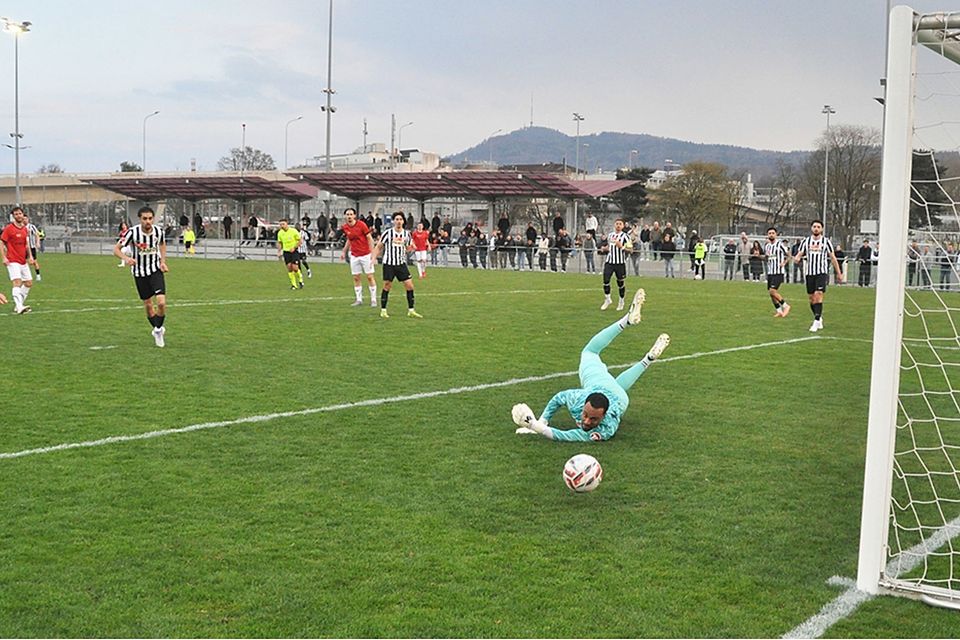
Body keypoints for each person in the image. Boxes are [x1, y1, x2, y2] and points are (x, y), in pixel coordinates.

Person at [511, 289, 670, 441]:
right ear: (583, 404)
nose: (587, 422)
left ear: (604, 416)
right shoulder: (577, 399)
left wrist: (536, 425)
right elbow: (558, 398)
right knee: (612, 382)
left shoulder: (606, 428)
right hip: (614, 394)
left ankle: (627, 322)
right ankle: (648, 358)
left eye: (594, 419)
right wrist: (539, 424)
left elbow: (567, 436)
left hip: (615, 397)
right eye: (586, 415)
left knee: (590, 352)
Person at [113, 206, 169, 347]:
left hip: (155, 270)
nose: (148, 221)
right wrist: (127, 259)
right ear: (140, 219)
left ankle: (157, 330)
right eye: (145, 219)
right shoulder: (132, 233)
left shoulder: (158, 231)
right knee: (148, 305)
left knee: (161, 303)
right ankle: (157, 330)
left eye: (150, 218)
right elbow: (116, 250)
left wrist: (163, 261)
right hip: (139, 273)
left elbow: (162, 244)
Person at [793, 219, 844, 332]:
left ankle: (816, 321)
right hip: (809, 273)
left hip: (821, 272)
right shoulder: (806, 241)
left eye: (818, 227)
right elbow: (800, 253)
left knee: (818, 294)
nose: (816, 229)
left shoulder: (826, 242)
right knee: (812, 299)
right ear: (811, 228)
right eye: (814, 227)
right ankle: (818, 317)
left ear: (822, 229)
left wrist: (839, 273)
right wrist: (797, 258)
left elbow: (833, 258)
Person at [373, 212, 423, 319]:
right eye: (396, 219)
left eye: (400, 219)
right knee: (387, 285)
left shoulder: (406, 234)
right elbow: (379, 246)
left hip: (401, 263)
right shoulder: (388, 233)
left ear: (403, 221)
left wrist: (411, 248)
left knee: (410, 285)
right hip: (389, 264)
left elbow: (408, 248)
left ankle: (411, 310)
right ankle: (383, 310)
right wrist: (373, 259)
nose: (399, 221)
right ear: (393, 221)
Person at [1, 206, 37, 314]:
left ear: (23, 215)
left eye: (20, 213)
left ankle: (19, 305)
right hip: (12, 260)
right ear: (13, 216)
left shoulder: (25, 229)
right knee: (17, 281)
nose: (18, 216)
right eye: (16, 214)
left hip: (22, 260)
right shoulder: (9, 229)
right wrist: (4, 257)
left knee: (28, 283)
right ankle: (20, 307)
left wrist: (30, 256)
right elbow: (1, 242)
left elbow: (26, 245)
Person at [340, 208, 378, 307]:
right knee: (356, 277)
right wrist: (344, 251)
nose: (349, 216)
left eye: (351, 214)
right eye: (347, 214)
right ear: (345, 216)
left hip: (365, 254)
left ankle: (373, 299)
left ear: (354, 216)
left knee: (369, 276)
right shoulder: (345, 227)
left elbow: (369, 238)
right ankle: (359, 299)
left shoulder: (361, 225)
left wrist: (372, 253)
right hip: (354, 255)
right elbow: (349, 239)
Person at [600, 219, 630, 311]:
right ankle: (607, 299)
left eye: (620, 224)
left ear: (623, 226)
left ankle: (621, 301)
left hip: (620, 263)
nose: (618, 225)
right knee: (606, 280)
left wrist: (622, 247)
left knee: (620, 283)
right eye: (617, 224)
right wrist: (604, 248)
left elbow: (630, 250)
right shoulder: (610, 235)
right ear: (614, 225)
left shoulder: (625, 236)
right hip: (609, 262)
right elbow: (609, 247)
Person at [763, 227, 791, 318]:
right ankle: (779, 311)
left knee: (772, 291)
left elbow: (789, 255)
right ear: (767, 235)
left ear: (776, 234)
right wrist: (759, 256)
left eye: (773, 233)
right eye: (769, 233)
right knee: (771, 294)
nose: (771, 235)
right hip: (770, 272)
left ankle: (786, 306)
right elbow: (766, 258)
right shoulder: (767, 246)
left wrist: (784, 263)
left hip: (778, 272)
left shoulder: (780, 245)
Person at [276, 218, 304, 290]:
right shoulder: (280, 233)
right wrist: (279, 251)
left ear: (287, 224)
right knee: (289, 268)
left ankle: (300, 279)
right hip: (286, 252)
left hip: (294, 251)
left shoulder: (293, 231)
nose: (282, 226)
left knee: (295, 268)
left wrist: (294, 247)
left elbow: (300, 240)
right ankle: (294, 285)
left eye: (283, 224)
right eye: (280, 224)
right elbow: (280, 243)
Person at [24, 214, 42, 281]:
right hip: (23, 247)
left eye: (26, 219)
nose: (24, 220)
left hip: (31, 247)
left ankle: (38, 275)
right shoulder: (21, 227)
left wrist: (38, 242)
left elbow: (37, 234)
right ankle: (23, 276)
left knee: (34, 261)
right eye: (23, 219)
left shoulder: (32, 226)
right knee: (22, 262)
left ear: (28, 219)